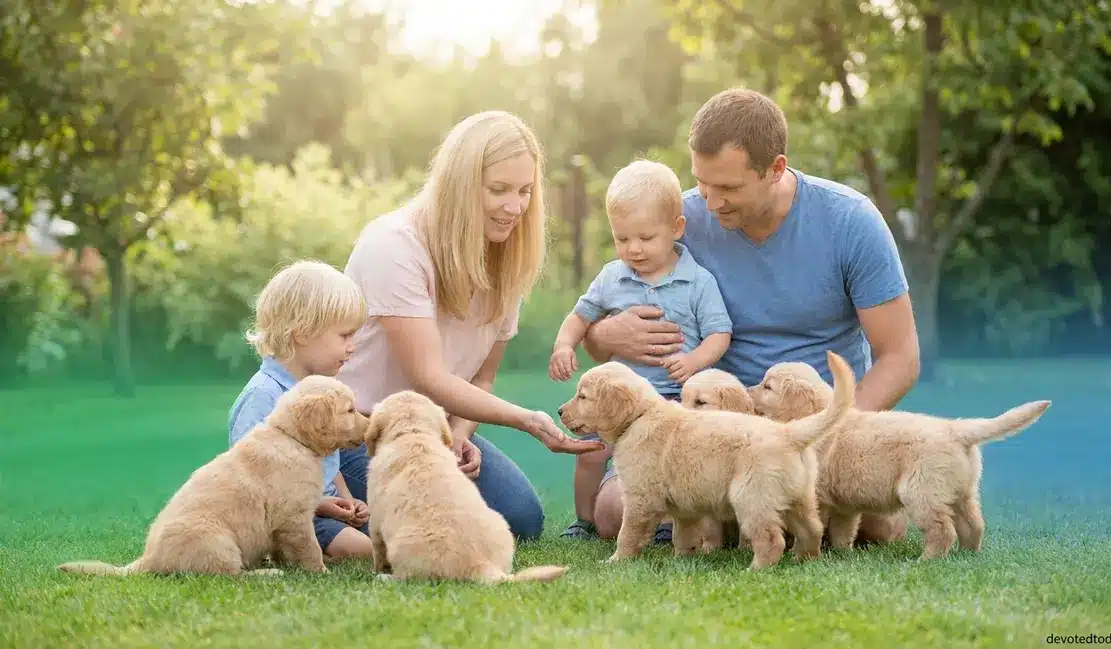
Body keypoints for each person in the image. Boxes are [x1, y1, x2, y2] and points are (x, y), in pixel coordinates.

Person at [582, 88, 922, 545]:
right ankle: (731, 511)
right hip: (710, 440)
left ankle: (743, 516)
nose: (710, 201)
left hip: (814, 430)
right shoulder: (677, 220)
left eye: (728, 188)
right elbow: (595, 335)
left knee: (878, 525)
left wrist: (828, 440)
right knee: (614, 512)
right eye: (703, 183)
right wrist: (606, 333)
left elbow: (900, 357)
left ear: (775, 169)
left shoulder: (850, 222)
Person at [333, 110, 605, 542]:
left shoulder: (507, 258)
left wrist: (456, 437)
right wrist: (527, 420)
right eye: (498, 190)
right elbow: (429, 376)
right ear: (459, 184)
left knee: (520, 520)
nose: (515, 207)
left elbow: (483, 377)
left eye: (525, 191)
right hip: (363, 431)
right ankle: (322, 510)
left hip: (434, 427)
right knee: (436, 528)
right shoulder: (393, 245)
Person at [548, 159, 732, 541]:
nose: (633, 249)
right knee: (591, 450)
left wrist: (694, 361)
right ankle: (582, 521)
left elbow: (719, 334)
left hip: (672, 397)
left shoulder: (698, 281)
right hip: (616, 399)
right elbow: (580, 316)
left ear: (676, 228)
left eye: (646, 238)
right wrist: (564, 344)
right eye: (622, 239)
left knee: (674, 461)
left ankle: (672, 525)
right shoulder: (612, 277)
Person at [227, 259, 373, 559]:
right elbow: (252, 483)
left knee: (385, 533)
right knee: (371, 552)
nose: (352, 346)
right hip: (293, 520)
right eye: (345, 335)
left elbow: (326, 458)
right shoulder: (263, 397)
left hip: (327, 511)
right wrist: (320, 505)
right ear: (303, 333)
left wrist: (347, 501)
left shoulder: (317, 390)